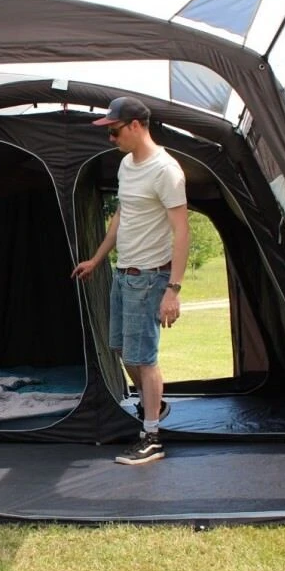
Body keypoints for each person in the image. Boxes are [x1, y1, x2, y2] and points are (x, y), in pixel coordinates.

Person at [72, 96, 189, 465]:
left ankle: (151, 436)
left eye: (115, 131)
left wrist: (173, 290)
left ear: (136, 126)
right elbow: (122, 215)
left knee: (144, 358)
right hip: (123, 274)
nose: (111, 139)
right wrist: (97, 259)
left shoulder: (166, 171)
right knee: (121, 348)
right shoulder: (126, 165)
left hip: (150, 277)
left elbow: (182, 232)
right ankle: (155, 405)